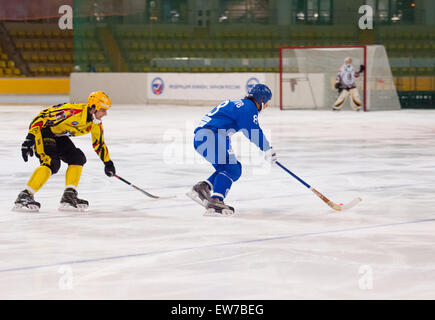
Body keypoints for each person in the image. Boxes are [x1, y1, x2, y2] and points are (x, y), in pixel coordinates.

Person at [13, 91, 116, 212]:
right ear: (93, 108)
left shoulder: (95, 125)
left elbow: (99, 144)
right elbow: (42, 117)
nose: (105, 114)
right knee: (51, 163)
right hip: (44, 131)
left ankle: (69, 194)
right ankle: (25, 195)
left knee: (77, 158)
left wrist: (108, 163)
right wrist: (29, 139)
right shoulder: (72, 111)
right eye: (103, 110)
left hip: (58, 135)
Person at [187, 83, 277, 216]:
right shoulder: (248, 107)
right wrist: (267, 149)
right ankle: (216, 200)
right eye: (267, 102)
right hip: (212, 136)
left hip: (203, 138)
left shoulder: (239, 104)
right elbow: (252, 130)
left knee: (229, 169)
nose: (267, 106)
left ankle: (203, 187)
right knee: (232, 168)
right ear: (262, 99)